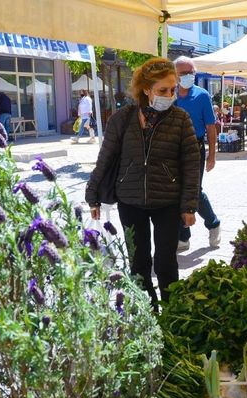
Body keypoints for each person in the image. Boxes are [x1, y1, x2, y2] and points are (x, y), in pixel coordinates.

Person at [85, 57, 199, 307]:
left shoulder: (180, 119)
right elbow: (105, 158)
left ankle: (171, 312)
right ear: (146, 89)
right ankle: (146, 312)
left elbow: (192, 164)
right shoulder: (122, 118)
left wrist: (189, 205)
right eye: (162, 90)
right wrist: (92, 193)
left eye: (172, 89)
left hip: (167, 201)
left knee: (166, 262)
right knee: (138, 263)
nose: (169, 95)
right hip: (130, 199)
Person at [173, 56, 221, 252]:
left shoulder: (202, 96)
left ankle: (213, 223)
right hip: (173, 150)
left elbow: (211, 127)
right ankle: (183, 237)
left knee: (193, 191)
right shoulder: (170, 95)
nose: (187, 76)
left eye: (190, 72)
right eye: (183, 73)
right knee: (175, 192)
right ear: (175, 76)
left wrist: (212, 155)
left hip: (195, 148)